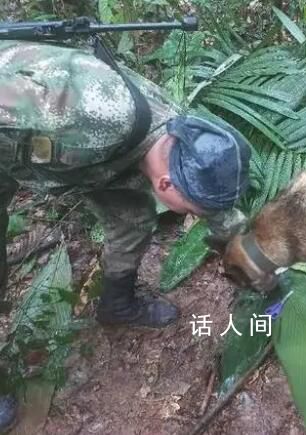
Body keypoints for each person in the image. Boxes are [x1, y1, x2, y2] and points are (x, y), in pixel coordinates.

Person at [0, 39, 251, 432]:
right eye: (194, 212)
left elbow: (215, 206)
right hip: (12, 141)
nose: (198, 217)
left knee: (133, 219)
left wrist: (256, 256)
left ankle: (116, 304)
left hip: (83, 162)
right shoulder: (90, 118)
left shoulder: (182, 138)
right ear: (167, 184)